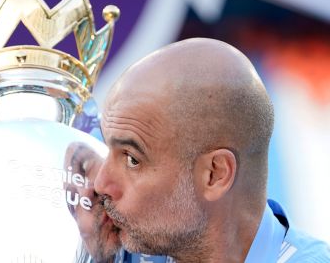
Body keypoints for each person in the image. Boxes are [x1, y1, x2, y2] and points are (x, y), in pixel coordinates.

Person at [94, 37, 330, 262]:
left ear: (215, 174)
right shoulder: (114, 246)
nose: (100, 184)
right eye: (108, 149)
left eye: (132, 160)